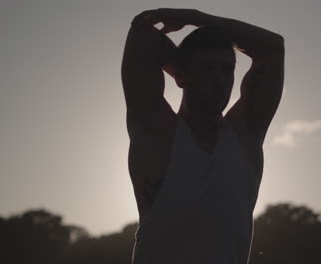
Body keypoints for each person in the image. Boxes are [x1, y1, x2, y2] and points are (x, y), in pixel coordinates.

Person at [121, 8, 284, 264]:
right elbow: (142, 35)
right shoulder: (156, 131)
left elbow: (273, 48)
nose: (220, 80)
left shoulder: (245, 136)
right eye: (208, 69)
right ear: (180, 75)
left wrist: (197, 18)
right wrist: (185, 70)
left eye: (226, 70)